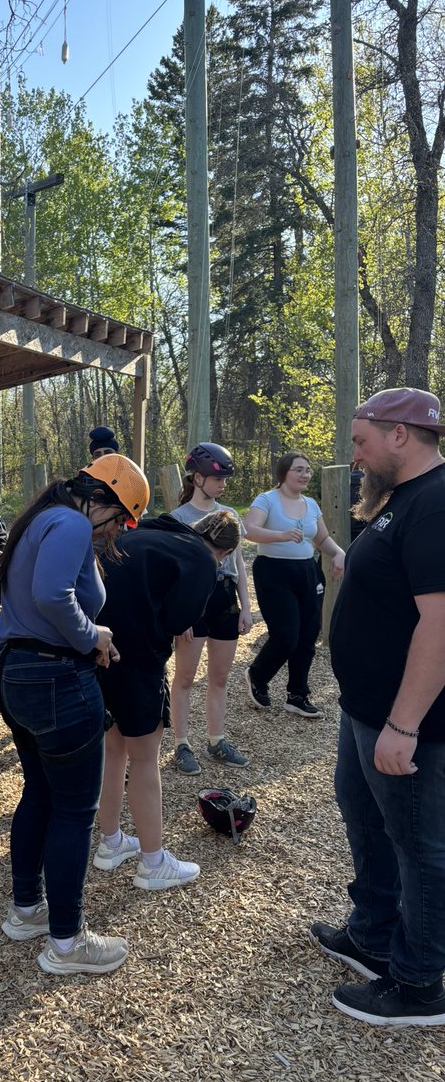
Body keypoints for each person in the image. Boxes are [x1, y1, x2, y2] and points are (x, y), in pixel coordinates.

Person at [312, 387, 445, 1027]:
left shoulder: (435, 503)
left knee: (420, 846)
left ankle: (419, 983)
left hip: (405, 721)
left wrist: (404, 724)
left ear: (400, 435)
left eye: (361, 441)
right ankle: (372, 933)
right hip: (364, 708)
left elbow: (440, 625)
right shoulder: (400, 501)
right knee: (364, 817)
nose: (354, 454)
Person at [0, 453, 149, 976]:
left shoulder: (40, 518)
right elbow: (52, 596)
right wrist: (92, 636)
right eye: (123, 519)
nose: (119, 532)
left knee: (38, 791)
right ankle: (66, 942)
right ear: (104, 499)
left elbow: (36, 602)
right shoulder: (73, 523)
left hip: (15, 671)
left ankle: (26, 910)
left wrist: (87, 640)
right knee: (76, 811)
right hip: (54, 680)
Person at [95, 510, 243, 891]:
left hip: (98, 647)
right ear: (224, 553)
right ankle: (153, 862)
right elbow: (181, 622)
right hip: (137, 657)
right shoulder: (200, 560)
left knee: (114, 751)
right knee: (145, 758)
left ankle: (110, 843)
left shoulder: (147, 532)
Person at [169, 443, 252, 774]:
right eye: (217, 479)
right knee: (185, 677)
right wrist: (180, 612)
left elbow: (239, 562)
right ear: (197, 477)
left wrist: (245, 607)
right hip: (193, 601)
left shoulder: (230, 513)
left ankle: (216, 740)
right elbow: (173, 570)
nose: (222, 485)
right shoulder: (178, 518)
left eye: (225, 480)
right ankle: (181, 744)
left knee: (219, 676)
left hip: (224, 598)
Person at [243, 452, 345, 718]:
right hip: (273, 571)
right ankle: (257, 675)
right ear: (284, 473)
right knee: (286, 635)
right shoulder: (267, 500)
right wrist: (281, 535)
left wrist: (338, 553)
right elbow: (249, 530)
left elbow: (322, 539)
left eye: (308, 470)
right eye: (299, 470)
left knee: (308, 634)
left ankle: (297, 695)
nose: (305, 475)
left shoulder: (311, 504)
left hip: (307, 572)